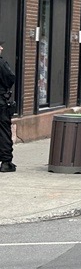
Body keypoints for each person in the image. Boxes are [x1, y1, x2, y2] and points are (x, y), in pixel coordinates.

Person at [0, 40, 16, 173]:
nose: (1, 48)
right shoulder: (1, 63)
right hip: (0, 102)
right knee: (3, 131)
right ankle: (6, 162)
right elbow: (10, 77)